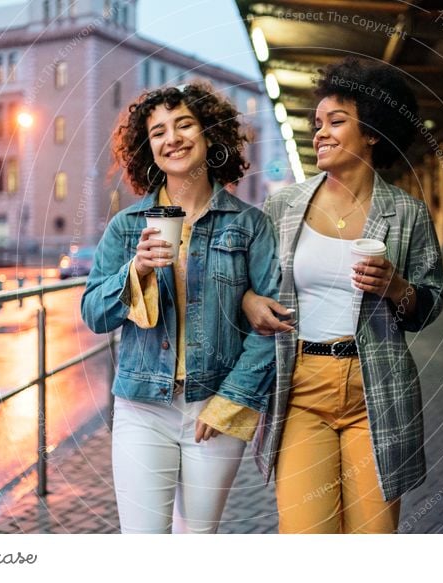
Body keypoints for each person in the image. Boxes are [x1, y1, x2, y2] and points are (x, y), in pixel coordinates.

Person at [243, 57, 443, 533]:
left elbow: (430, 302)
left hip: (376, 388)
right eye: (318, 124)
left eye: (337, 121)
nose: (321, 133)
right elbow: (245, 281)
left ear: (372, 132)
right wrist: (250, 301)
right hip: (301, 389)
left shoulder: (407, 213)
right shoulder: (283, 207)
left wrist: (398, 288)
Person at [81, 82, 278, 534]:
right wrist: (138, 270)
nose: (172, 138)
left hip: (215, 405)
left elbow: (274, 324)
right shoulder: (126, 227)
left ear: (209, 134)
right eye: (158, 132)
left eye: (185, 124)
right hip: (141, 405)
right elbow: (94, 313)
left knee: (197, 540)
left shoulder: (250, 226)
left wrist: (230, 401)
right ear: (147, 149)